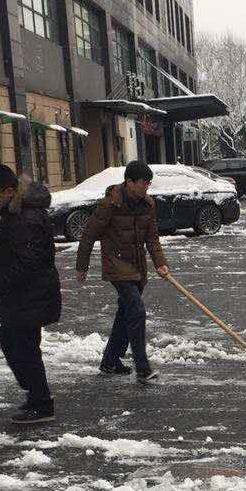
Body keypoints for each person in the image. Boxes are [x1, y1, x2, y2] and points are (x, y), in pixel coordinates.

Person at [75, 159, 170, 384]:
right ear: (129, 182)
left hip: (138, 267)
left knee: (125, 313)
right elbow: (88, 235)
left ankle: (110, 361)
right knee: (136, 310)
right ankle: (142, 368)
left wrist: (160, 262)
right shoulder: (110, 205)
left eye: (149, 183)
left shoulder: (148, 205)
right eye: (144, 183)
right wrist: (82, 266)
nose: (147, 187)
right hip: (116, 265)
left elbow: (152, 238)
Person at [0, 164, 62, 426]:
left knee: (24, 346)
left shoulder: (25, 217)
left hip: (32, 293)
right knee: (11, 339)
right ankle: (36, 394)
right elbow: (10, 253)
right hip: (23, 293)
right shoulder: (15, 211)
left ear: (8, 190)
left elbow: (29, 262)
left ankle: (42, 402)